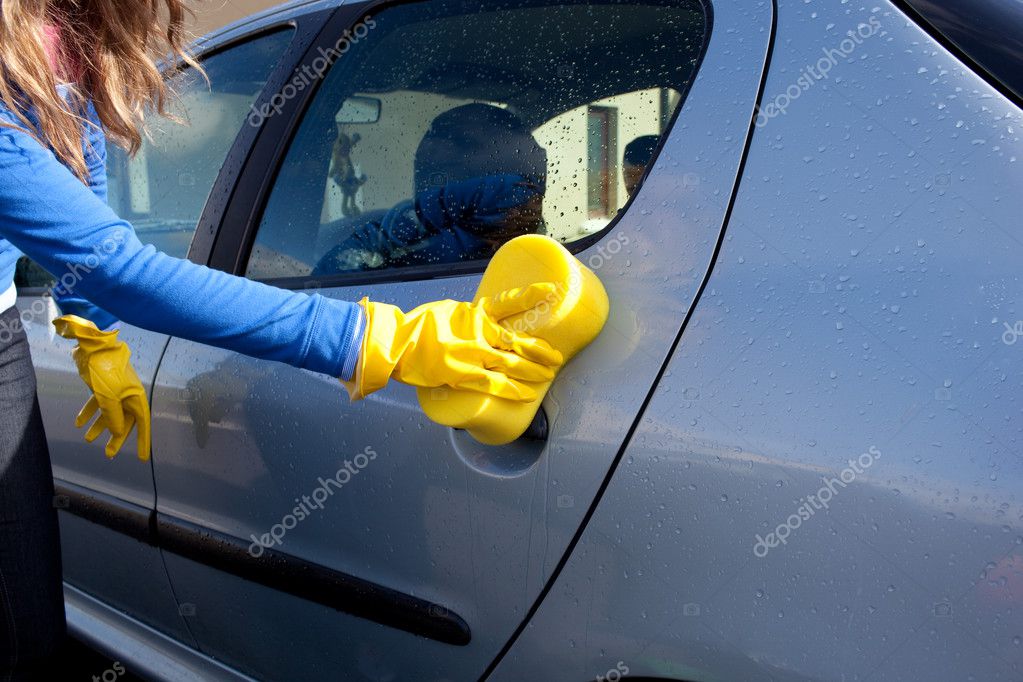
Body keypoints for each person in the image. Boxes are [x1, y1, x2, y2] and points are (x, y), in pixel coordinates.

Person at [0, 3, 562, 679]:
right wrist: (379, 339)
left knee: (28, 617)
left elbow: (78, 179)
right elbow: (119, 265)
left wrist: (96, 331)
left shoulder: (79, 32)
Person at [314, 103, 548, 274]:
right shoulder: (359, 230)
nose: (433, 148)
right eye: (434, 134)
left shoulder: (536, 265)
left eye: (461, 141)